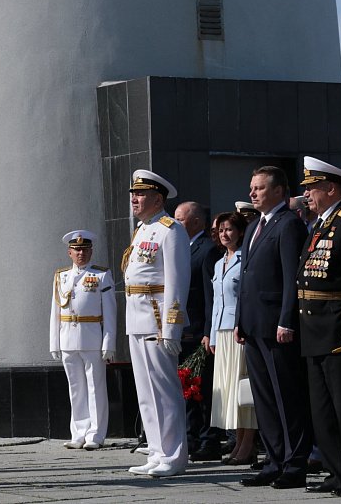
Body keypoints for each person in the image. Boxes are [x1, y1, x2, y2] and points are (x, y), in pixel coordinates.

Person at [235, 166, 311, 489]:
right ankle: (274, 459)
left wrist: (286, 320)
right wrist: (239, 320)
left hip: (276, 326)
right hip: (253, 324)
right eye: (252, 187)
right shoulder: (255, 226)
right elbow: (246, 278)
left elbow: (291, 278)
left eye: (259, 188)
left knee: (286, 396)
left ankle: (295, 463)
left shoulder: (289, 224)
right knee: (264, 398)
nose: (252, 193)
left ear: (279, 191)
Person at [123, 169, 190, 478]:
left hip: (157, 319)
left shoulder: (170, 230)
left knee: (164, 390)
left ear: (158, 199)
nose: (134, 199)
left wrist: (172, 327)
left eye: (141, 194)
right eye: (133, 194)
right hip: (136, 318)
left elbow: (177, 282)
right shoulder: (142, 229)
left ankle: (174, 455)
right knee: (146, 392)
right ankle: (156, 450)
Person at [298, 156, 341, 497]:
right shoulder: (320, 225)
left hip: (336, 328)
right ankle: (336, 471)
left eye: (312, 187)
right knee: (322, 409)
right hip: (313, 327)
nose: (306, 194)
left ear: (331, 188)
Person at [50, 230, 116, 450]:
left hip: (92, 337)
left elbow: (110, 312)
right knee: (76, 388)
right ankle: (78, 432)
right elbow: (55, 312)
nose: (81, 253)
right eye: (77, 250)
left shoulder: (101, 275)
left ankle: (95, 434)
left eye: (85, 249)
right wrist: (54, 342)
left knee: (95, 387)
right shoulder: (61, 276)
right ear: (69, 252)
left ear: (91, 251)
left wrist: (109, 343)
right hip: (68, 338)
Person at [207, 212, 258, 465]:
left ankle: (248, 444)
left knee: (243, 389)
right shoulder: (219, 263)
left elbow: (246, 297)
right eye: (221, 230)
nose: (224, 234)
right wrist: (212, 335)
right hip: (222, 332)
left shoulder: (245, 258)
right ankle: (238, 441)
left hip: (239, 331)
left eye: (229, 229)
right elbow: (216, 302)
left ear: (240, 232)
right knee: (230, 391)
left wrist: (243, 326)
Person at [174, 201, 223, 461]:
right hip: (181, 329)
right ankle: (190, 437)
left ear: (196, 222)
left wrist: (207, 330)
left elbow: (209, 295)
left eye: (180, 219)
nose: (175, 224)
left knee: (201, 388)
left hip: (198, 329)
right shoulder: (180, 247)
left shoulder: (207, 249)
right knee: (187, 386)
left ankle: (208, 439)